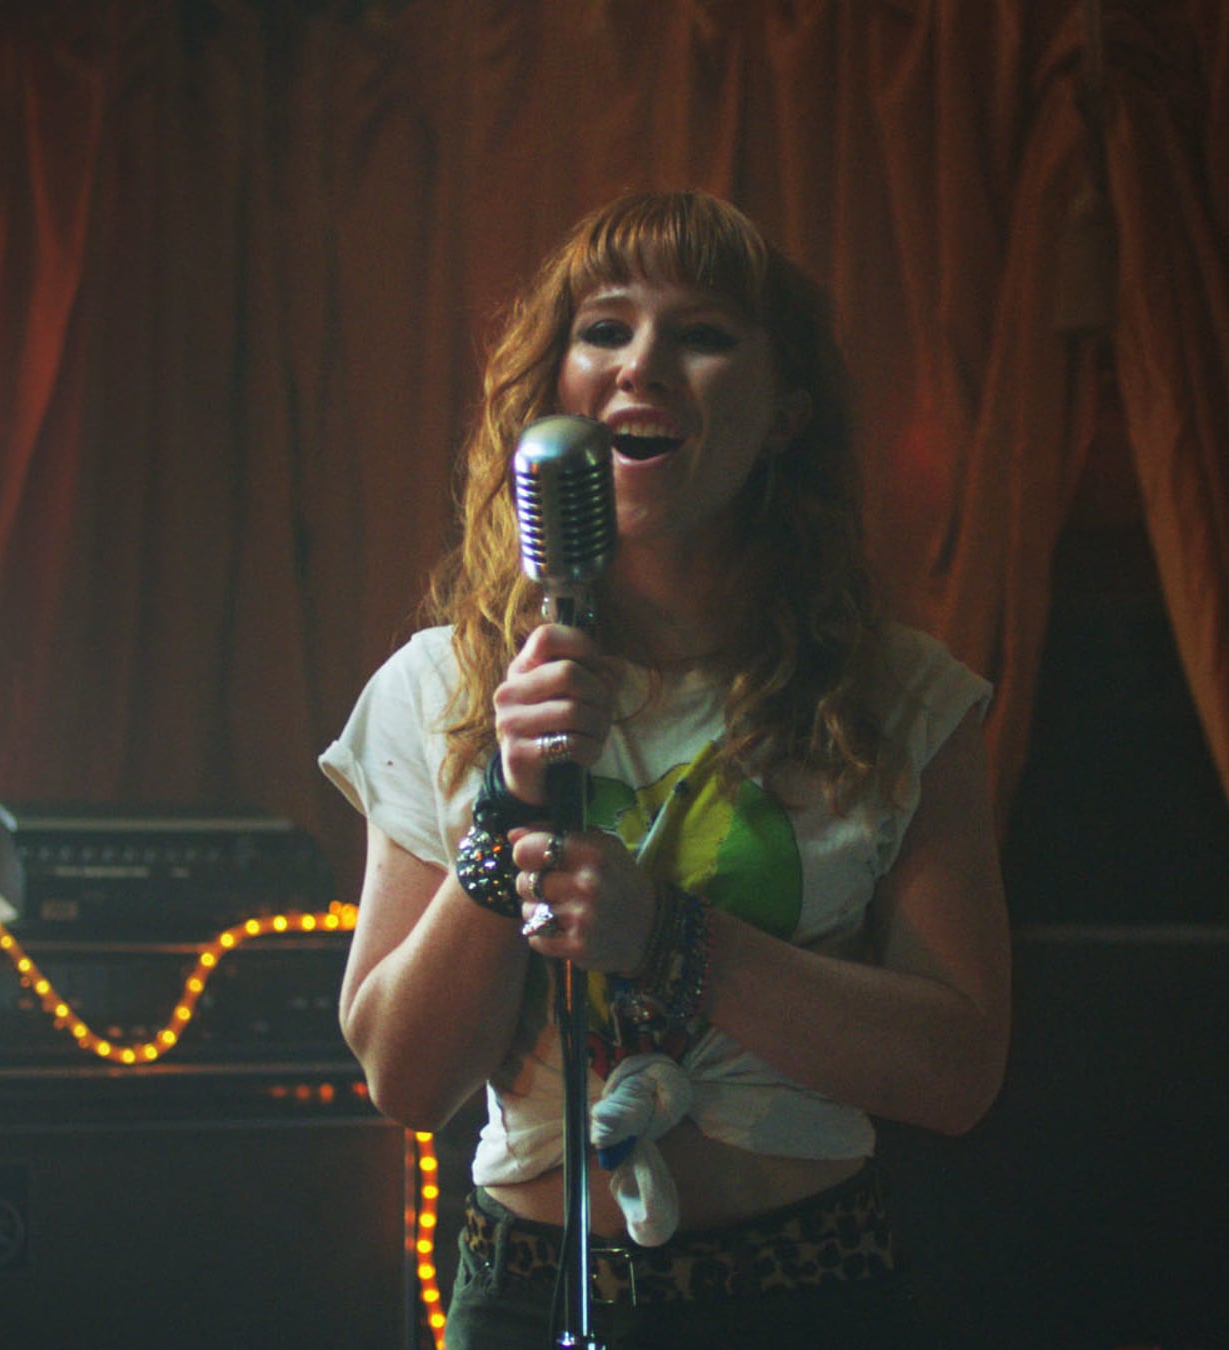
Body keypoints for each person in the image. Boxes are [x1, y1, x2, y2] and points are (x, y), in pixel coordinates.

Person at [320, 189, 1008, 1349]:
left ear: (785, 414)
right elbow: (407, 1080)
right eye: (605, 329)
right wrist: (507, 805)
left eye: (703, 334)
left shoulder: (900, 698)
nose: (642, 363)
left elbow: (957, 1074)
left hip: (810, 1296)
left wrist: (670, 940)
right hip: (528, 1295)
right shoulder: (440, 689)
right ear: (557, 397)